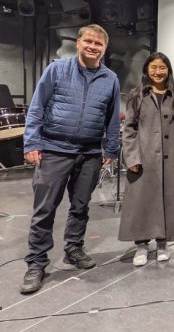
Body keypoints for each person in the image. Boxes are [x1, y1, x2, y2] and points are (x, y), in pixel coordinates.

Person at [20, 24, 120, 294]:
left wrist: (111, 149)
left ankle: (73, 249)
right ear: (78, 42)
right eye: (88, 41)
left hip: (89, 153)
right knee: (45, 209)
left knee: (80, 206)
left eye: (98, 44)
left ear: (104, 48)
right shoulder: (57, 69)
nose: (93, 46)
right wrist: (32, 142)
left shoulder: (110, 78)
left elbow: (112, 118)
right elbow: (37, 106)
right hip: (54, 149)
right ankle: (37, 263)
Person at [118, 52, 174, 266]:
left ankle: (163, 243)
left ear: (169, 70)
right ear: (147, 70)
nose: (158, 72)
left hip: (170, 161)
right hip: (143, 158)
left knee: (167, 200)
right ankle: (141, 244)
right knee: (141, 202)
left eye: (162, 67)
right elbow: (128, 128)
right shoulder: (137, 95)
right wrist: (131, 157)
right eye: (154, 67)